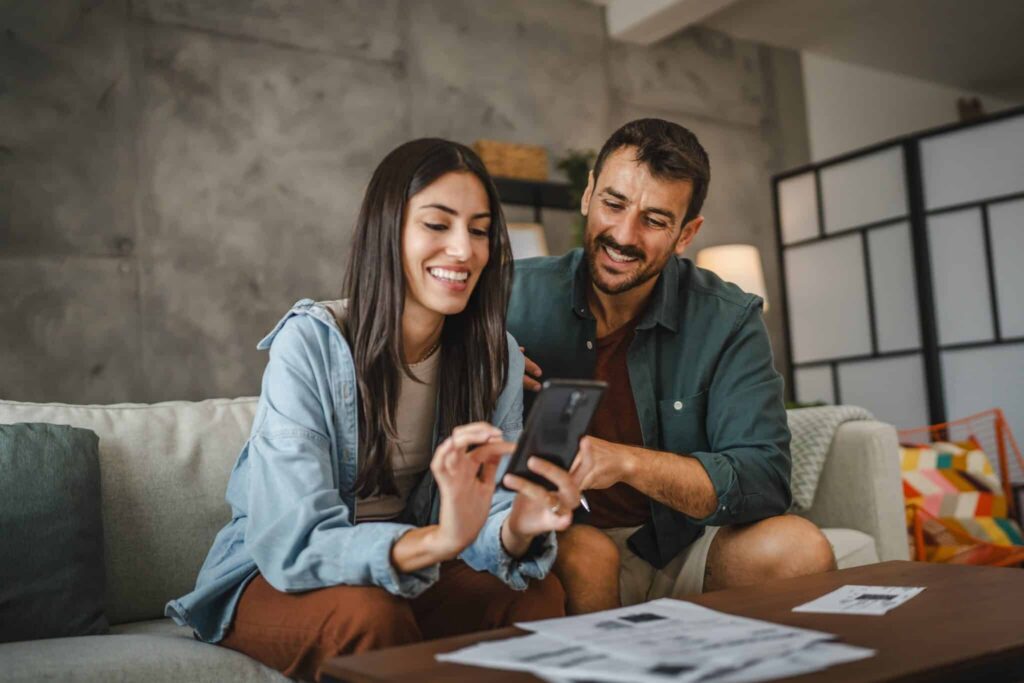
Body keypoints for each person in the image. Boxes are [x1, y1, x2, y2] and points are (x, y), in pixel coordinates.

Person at [167, 139, 583, 680]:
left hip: (414, 566)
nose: (463, 250)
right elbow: (295, 542)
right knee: (369, 616)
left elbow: (490, 517)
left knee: (533, 596)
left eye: (479, 230)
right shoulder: (309, 344)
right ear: (388, 230)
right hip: (273, 575)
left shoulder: (494, 356)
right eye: (437, 224)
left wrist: (517, 528)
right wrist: (439, 540)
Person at [508, 119, 836, 615]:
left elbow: (764, 479)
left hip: (681, 546)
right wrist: (486, 369)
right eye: (613, 204)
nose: (624, 235)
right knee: (588, 554)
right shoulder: (509, 297)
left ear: (687, 234)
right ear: (588, 195)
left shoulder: (728, 319)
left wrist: (628, 462)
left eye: (655, 220)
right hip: (565, 546)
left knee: (799, 548)